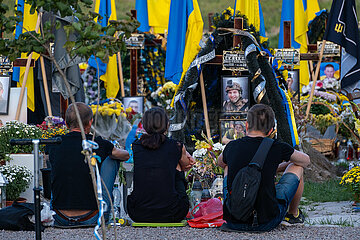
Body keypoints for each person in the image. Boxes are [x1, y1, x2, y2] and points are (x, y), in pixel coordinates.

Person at [218, 104, 310, 232]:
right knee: (297, 166)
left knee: (227, 166)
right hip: (265, 222)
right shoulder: (277, 147)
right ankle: (293, 215)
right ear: (271, 130)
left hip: (233, 221)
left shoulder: (232, 146)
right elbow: (306, 161)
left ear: (246, 125)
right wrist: (284, 165)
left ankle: (233, 210)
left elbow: (220, 163)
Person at [48, 102, 129, 227]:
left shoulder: (54, 143)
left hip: (59, 217)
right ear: (90, 122)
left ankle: (57, 206)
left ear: (66, 122)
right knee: (111, 159)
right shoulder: (97, 143)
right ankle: (106, 211)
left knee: (58, 161)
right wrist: (109, 149)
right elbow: (125, 155)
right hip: (92, 218)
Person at [127, 107, 195, 223]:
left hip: (138, 212)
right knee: (176, 165)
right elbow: (188, 165)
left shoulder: (136, 146)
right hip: (173, 213)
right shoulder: (175, 146)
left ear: (144, 125)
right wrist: (183, 152)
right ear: (167, 125)